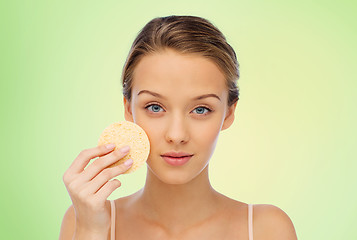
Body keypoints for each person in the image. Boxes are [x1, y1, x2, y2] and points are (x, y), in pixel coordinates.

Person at [59, 15, 297, 240]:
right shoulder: (85, 219)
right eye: (154, 107)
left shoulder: (267, 229)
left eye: (201, 109)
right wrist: (90, 231)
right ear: (129, 110)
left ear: (229, 113)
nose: (176, 135)